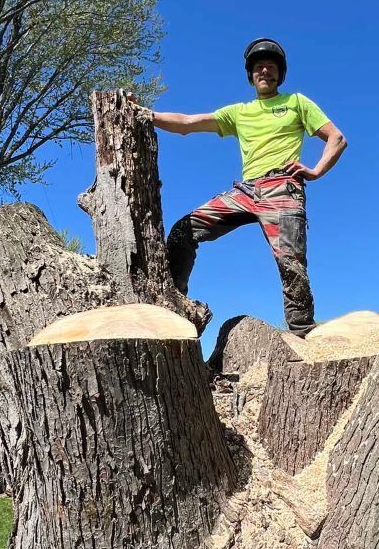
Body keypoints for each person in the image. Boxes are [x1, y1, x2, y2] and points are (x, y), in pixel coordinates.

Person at [145, 38, 346, 337]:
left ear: (280, 74)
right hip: (245, 191)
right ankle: (173, 306)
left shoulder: (297, 103)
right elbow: (188, 122)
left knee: (291, 265)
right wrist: (148, 115)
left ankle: (304, 334)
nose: (265, 71)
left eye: (271, 67)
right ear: (251, 75)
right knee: (183, 231)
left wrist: (315, 171)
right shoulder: (239, 112)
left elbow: (336, 137)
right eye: (259, 67)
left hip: (283, 188)